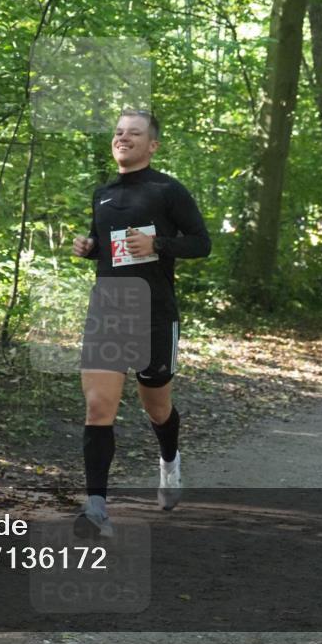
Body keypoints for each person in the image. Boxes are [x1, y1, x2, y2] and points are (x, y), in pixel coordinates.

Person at [71, 110, 211, 538]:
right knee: (98, 408)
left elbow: (201, 243)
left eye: (134, 133)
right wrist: (91, 247)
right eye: (117, 132)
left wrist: (158, 244)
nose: (123, 138)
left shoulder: (168, 189)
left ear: (153, 145)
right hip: (109, 308)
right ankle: (97, 509)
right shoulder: (103, 193)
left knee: (157, 407)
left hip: (153, 313)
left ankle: (169, 462)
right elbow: (110, 249)